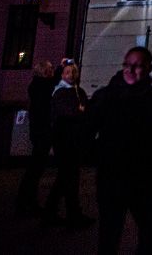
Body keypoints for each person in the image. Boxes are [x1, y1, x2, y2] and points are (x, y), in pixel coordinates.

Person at [88, 46, 152, 255]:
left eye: (138, 66)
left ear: (148, 68)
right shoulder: (106, 96)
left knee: (151, 231)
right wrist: (103, 155)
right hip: (112, 177)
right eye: (127, 64)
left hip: (142, 177)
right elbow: (86, 130)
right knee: (110, 233)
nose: (131, 70)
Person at [42, 61, 94, 229]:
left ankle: (65, 213)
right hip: (65, 141)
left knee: (68, 178)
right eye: (67, 72)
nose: (70, 75)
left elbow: (85, 110)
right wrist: (79, 111)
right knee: (67, 177)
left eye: (73, 72)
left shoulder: (77, 91)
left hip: (73, 140)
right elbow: (69, 113)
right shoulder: (61, 92)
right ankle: (62, 213)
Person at [17, 60, 56, 217]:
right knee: (35, 169)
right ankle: (25, 202)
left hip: (39, 132)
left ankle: (26, 201)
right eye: (50, 69)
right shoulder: (42, 87)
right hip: (42, 132)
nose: (52, 71)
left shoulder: (37, 86)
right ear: (44, 72)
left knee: (35, 169)